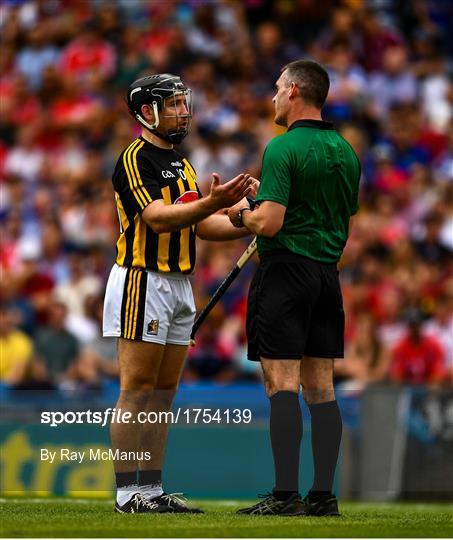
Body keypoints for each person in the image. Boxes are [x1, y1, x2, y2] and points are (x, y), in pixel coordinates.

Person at [103, 73, 254, 514]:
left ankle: (150, 489)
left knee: (164, 393)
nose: (182, 111)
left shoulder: (182, 163)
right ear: (146, 111)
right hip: (142, 281)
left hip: (179, 284)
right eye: (172, 104)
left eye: (183, 104)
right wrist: (213, 201)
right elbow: (159, 219)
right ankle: (127, 493)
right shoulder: (135, 159)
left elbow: (202, 225)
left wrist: (247, 220)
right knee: (137, 390)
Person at [228, 60, 360, 516]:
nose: (272, 97)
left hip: (285, 273)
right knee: (321, 388)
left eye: (277, 89)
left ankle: (285, 496)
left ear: (296, 92)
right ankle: (323, 496)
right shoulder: (346, 151)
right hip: (327, 274)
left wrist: (241, 213)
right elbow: (327, 211)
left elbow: (270, 221)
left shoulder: (282, 147)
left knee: (281, 385)